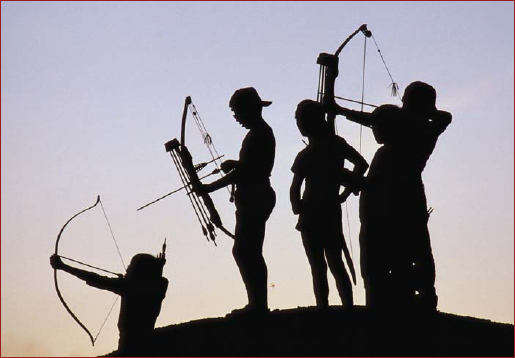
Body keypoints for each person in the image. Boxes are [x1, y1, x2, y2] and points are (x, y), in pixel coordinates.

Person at [333, 81, 452, 312]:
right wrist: (341, 111)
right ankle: (399, 300)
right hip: (385, 209)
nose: (403, 105)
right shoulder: (398, 142)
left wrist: (345, 176)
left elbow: (376, 186)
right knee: (395, 257)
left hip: (397, 208)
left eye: (407, 100)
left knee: (404, 255)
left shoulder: (418, 138)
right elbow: (376, 121)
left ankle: (416, 299)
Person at [202, 87, 276, 315]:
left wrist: (209, 187)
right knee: (248, 251)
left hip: (256, 195)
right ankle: (257, 303)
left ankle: (258, 305)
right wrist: (236, 163)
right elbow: (249, 167)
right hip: (255, 195)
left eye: (237, 112)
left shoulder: (259, 134)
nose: (236, 118)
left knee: (246, 251)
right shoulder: (259, 133)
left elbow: (247, 172)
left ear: (249, 109)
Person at [290, 99, 368, 309]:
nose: (298, 125)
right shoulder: (320, 150)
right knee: (326, 264)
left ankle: (340, 307)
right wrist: (344, 192)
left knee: (330, 263)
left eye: (300, 120)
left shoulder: (323, 149)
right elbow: (295, 187)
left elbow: (361, 165)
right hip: (317, 213)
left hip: (322, 212)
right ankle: (330, 307)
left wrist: (345, 193)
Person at [50, 247, 168, 354]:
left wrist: (63, 266)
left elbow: (95, 279)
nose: (127, 269)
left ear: (139, 271)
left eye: (131, 266)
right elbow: (158, 281)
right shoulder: (158, 286)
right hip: (145, 344)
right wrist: (158, 268)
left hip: (129, 348)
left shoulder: (129, 286)